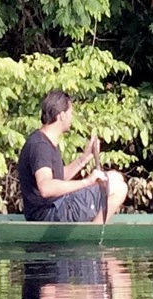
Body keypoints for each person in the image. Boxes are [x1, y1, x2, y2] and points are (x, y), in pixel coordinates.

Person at [16, 90, 129, 223]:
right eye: (70, 113)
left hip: (55, 205)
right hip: (49, 212)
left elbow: (58, 177)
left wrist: (84, 158)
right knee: (120, 189)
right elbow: (46, 188)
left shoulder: (45, 139)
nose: (72, 117)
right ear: (62, 115)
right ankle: (93, 236)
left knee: (116, 177)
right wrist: (87, 182)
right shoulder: (40, 146)